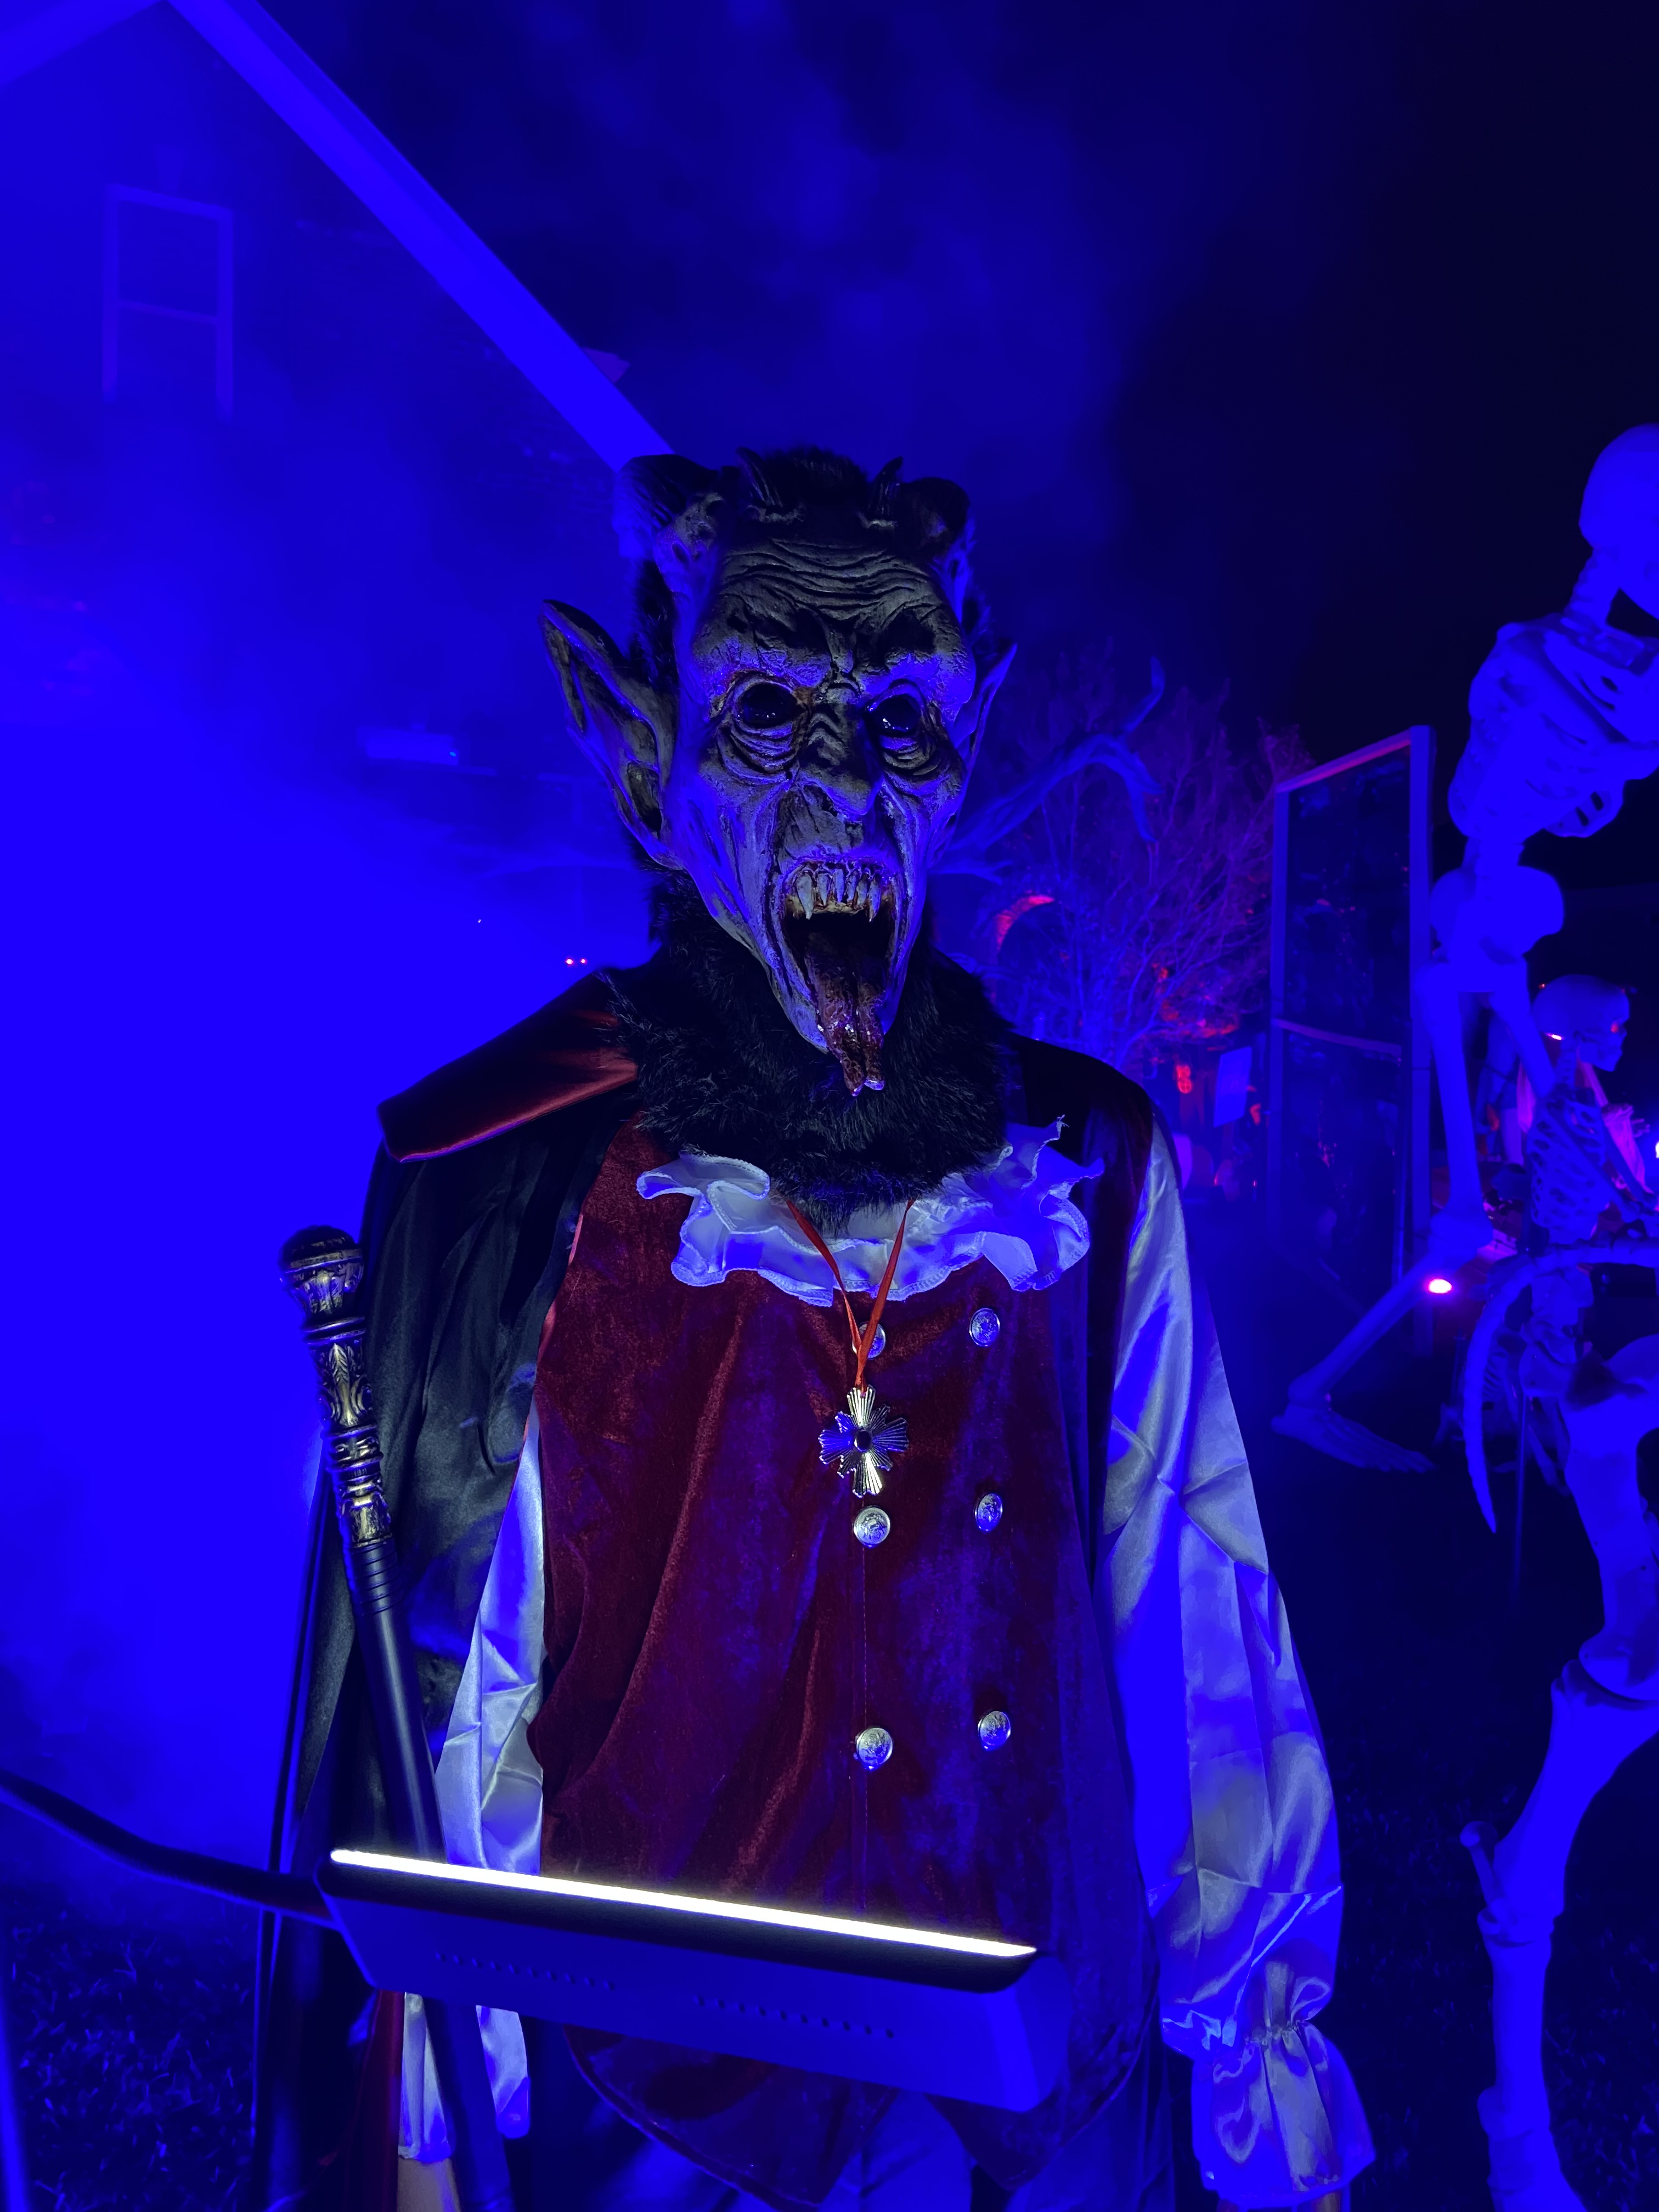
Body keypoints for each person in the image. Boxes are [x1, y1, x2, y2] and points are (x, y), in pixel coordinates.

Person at [251, 448, 1371, 2212]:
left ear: (967, 752)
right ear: (645, 758)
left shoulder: (1085, 1161)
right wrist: (431, 2135)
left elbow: (1195, 1600)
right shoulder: (516, 1177)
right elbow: (458, 1698)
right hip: (671, 2115)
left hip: (1043, 2092)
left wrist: (1255, 2047)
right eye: (769, 711)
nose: (847, 780)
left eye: (902, 720)